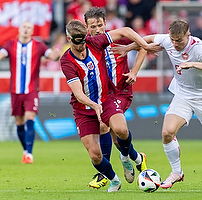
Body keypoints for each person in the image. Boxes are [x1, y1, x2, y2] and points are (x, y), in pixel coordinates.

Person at [112, 19, 202, 193]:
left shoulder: (199, 47)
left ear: (188, 36)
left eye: (179, 41)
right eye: (172, 40)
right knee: (167, 133)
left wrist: (192, 64)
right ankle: (177, 172)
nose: (175, 44)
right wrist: (128, 48)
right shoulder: (168, 40)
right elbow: (148, 40)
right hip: (182, 95)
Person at [60, 20, 159, 192]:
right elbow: (78, 94)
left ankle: (126, 156)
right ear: (69, 39)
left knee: (121, 130)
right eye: (78, 42)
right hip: (83, 109)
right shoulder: (66, 61)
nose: (83, 46)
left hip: (107, 99)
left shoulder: (94, 42)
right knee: (95, 155)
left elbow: (125, 31)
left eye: (84, 40)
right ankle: (113, 179)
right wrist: (93, 105)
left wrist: (145, 46)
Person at [84, 7, 147, 189]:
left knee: (107, 126)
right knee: (115, 138)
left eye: (99, 25)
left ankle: (105, 174)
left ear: (105, 23)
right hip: (102, 95)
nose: (97, 29)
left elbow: (143, 45)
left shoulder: (117, 37)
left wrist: (134, 71)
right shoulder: (87, 44)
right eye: (92, 26)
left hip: (121, 92)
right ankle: (135, 157)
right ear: (87, 27)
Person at [0, 21, 61, 164]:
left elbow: (51, 55)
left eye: (29, 28)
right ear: (19, 29)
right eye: (24, 27)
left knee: (29, 117)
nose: (26, 30)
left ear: (32, 31)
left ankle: (29, 154)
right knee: (19, 122)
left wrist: (56, 54)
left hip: (32, 90)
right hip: (15, 91)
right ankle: (25, 150)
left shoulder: (39, 46)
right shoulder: (10, 45)